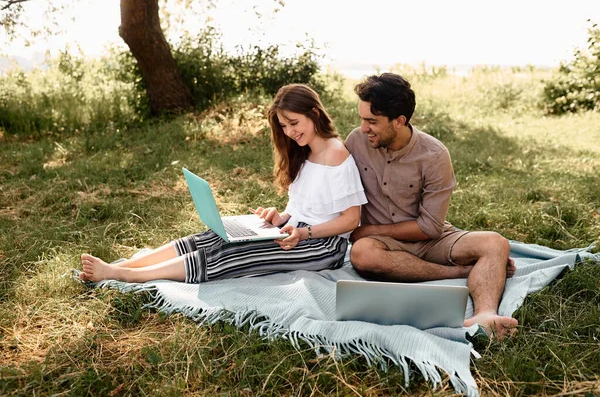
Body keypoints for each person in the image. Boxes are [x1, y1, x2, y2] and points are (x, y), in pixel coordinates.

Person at [80, 84, 367, 284]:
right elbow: (302, 205)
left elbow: (351, 220)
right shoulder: (303, 152)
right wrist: (281, 217)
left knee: (230, 253)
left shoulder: (336, 153)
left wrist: (304, 233)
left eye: (294, 123)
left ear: (314, 114)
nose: (290, 132)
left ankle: (129, 276)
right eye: (284, 126)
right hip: (292, 232)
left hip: (322, 247)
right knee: (216, 236)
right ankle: (124, 265)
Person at [345, 73, 518, 340]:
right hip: (382, 244)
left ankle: (486, 314)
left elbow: (429, 227)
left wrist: (367, 230)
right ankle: (461, 272)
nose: (364, 127)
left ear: (399, 121)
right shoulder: (356, 141)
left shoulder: (435, 154)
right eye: (362, 119)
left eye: (372, 121)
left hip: (431, 239)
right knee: (362, 254)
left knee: (495, 243)